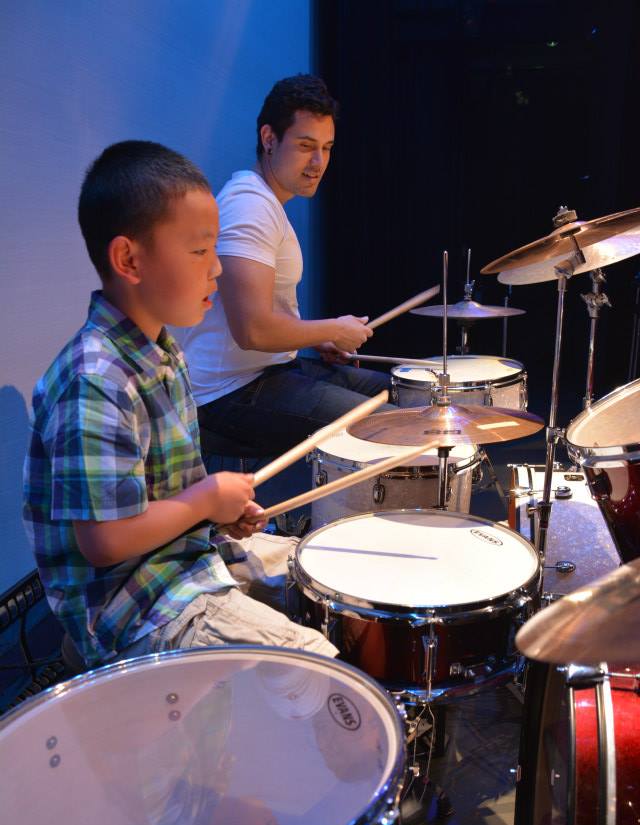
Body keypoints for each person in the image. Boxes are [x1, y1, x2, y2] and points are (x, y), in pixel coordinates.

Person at [23, 140, 336, 670]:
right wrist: (205, 500)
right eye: (199, 251)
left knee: (324, 580)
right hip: (134, 609)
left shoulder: (163, 352)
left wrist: (215, 516)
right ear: (129, 259)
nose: (217, 269)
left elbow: (160, 499)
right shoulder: (96, 380)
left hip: (185, 562)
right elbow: (105, 540)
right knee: (321, 670)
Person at [177, 74, 391, 458]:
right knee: (388, 428)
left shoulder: (266, 202)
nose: (318, 163)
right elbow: (253, 330)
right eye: (306, 146)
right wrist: (332, 329)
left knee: (399, 394)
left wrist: (317, 337)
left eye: (326, 148)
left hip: (266, 371)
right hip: (228, 392)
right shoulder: (250, 206)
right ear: (269, 138)